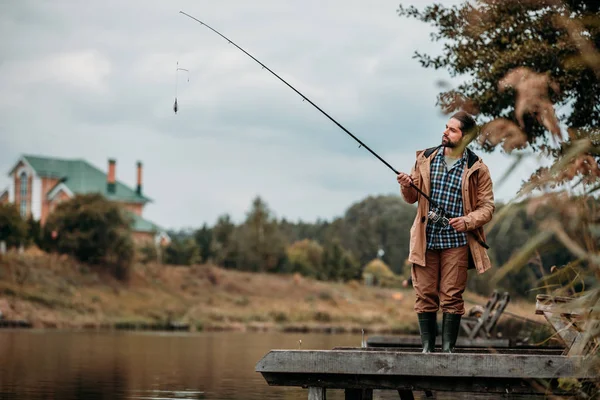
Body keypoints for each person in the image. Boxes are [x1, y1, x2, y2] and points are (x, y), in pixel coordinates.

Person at [396, 111, 495, 353]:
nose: (445, 132)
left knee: (451, 296)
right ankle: (428, 350)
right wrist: (406, 185)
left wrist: (468, 221)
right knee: (425, 295)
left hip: (457, 242)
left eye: (452, 130)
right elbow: (411, 199)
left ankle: (448, 352)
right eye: (446, 127)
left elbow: (488, 207)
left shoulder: (477, 168)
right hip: (426, 240)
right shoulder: (425, 159)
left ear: (465, 137)